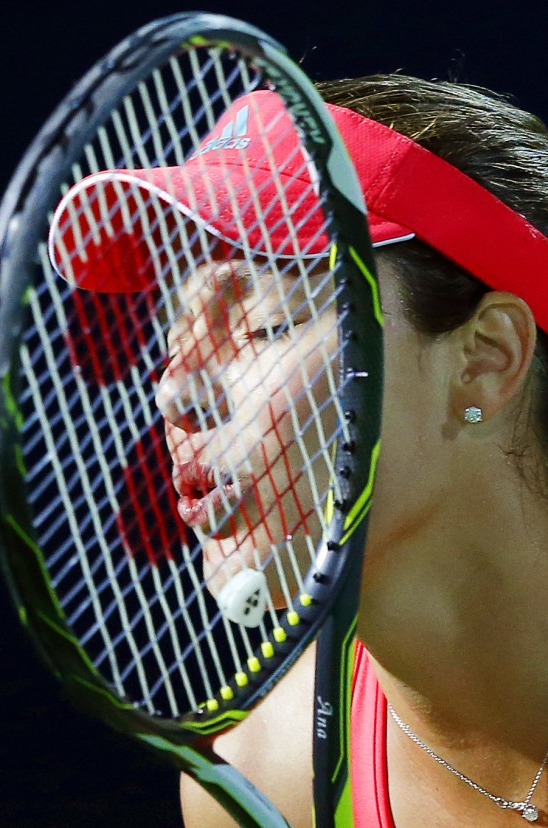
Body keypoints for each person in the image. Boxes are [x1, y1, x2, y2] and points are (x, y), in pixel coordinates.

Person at [50, 73, 548, 826]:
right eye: (175, 336)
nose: (174, 392)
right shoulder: (252, 786)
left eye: (263, 327)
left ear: (485, 358)